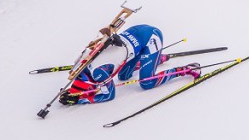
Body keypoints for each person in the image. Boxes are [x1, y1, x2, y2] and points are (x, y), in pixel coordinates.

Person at [60, 24, 201, 106]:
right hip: (135, 36)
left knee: (147, 83)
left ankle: (185, 69)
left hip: (150, 38)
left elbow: (109, 95)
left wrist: (81, 100)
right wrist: (75, 94)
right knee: (123, 76)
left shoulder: (99, 73)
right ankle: (155, 59)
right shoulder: (79, 64)